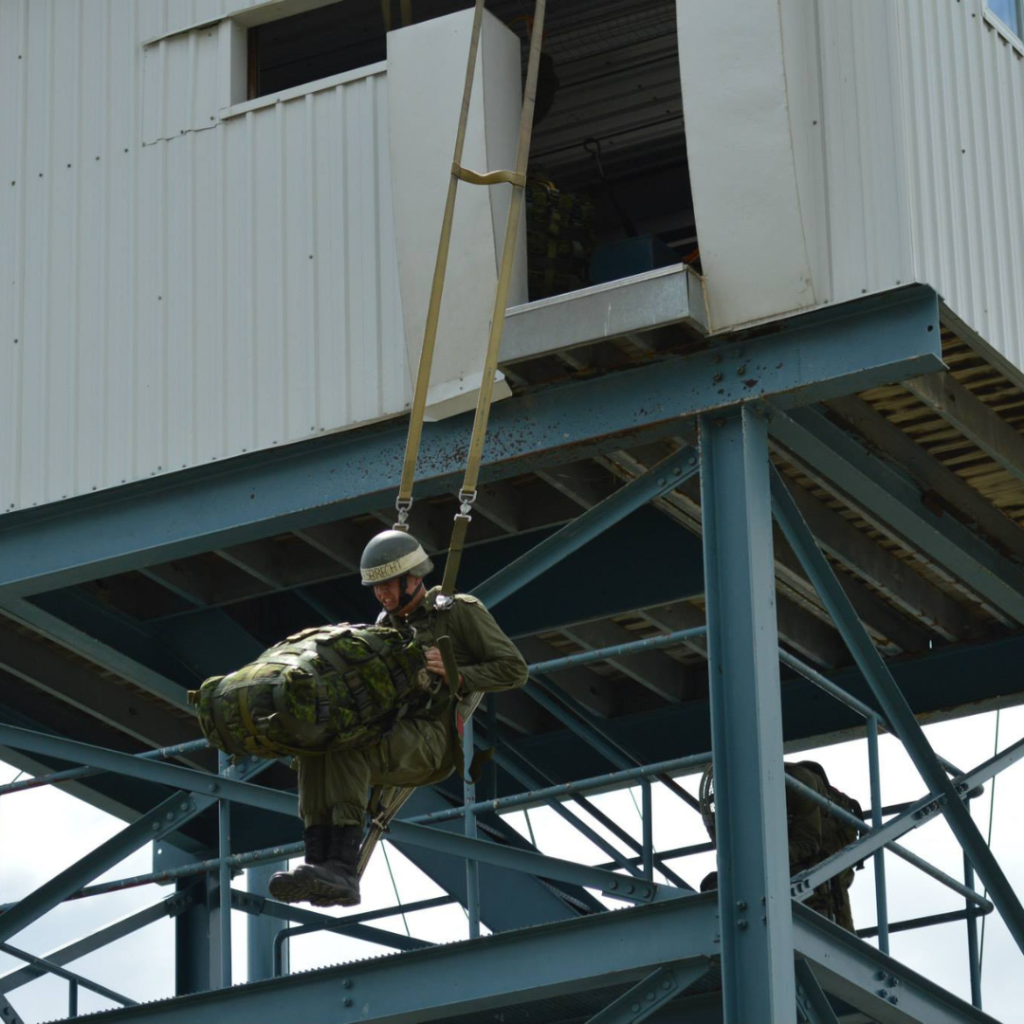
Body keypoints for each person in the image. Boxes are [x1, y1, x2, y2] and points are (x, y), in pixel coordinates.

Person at [269, 529, 528, 907]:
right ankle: (318, 863)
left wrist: (457, 675)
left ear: (413, 578)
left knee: (350, 743)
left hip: (430, 740)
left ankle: (342, 868)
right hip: (391, 730)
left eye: (388, 585)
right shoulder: (384, 628)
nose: (381, 594)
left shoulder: (457, 612)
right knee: (316, 747)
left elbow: (514, 669)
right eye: (376, 587)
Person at [698, 761, 861, 932]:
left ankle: (837, 935)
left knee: (823, 883)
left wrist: (762, 863)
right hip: (788, 836)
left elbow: (808, 843)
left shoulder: (799, 783)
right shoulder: (739, 805)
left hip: (833, 830)